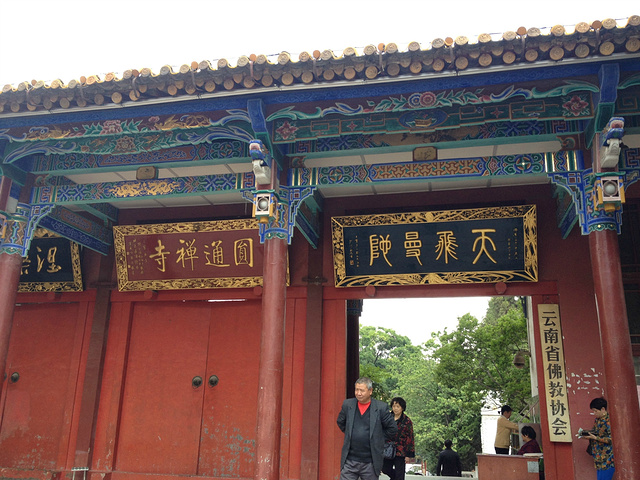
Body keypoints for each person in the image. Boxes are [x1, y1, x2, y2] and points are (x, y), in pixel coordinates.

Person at [337, 377, 398, 480]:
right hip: (350, 460)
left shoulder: (380, 408)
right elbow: (340, 422)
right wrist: (350, 433)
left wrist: (378, 438)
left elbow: (392, 428)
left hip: (370, 461)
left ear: (370, 391)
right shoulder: (348, 405)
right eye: (357, 390)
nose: (358, 393)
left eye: (362, 390)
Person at [579, 397, 615, 480]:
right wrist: (588, 436)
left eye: (595, 411)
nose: (594, 413)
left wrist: (595, 437)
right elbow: (596, 432)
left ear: (603, 409)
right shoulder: (598, 420)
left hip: (607, 458)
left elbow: (611, 439)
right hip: (598, 457)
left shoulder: (610, 421)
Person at [381, 397, 415, 480]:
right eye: (393, 406)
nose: (395, 409)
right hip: (388, 448)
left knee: (400, 473)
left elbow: (410, 437)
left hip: (401, 450)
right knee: (385, 468)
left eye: (398, 406)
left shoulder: (407, 421)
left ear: (402, 408)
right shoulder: (387, 418)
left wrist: (408, 454)